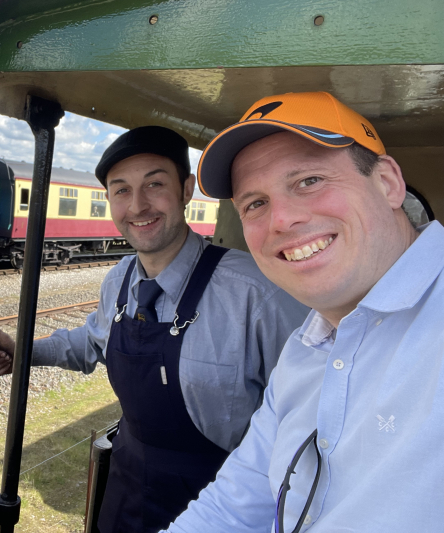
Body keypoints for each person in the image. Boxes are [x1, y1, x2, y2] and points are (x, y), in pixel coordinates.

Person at [0, 126, 310, 532]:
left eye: (154, 184)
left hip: (221, 509)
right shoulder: (119, 280)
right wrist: (26, 352)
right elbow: (91, 342)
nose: (137, 205)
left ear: (186, 190)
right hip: (125, 498)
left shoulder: (257, 294)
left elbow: (306, 421)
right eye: (121, 190)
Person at [163, 91, 443, 533]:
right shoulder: (303, 349)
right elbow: (234, 508)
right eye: (255, 203)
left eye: (309, 180)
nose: (282, 220)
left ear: (388, 183)